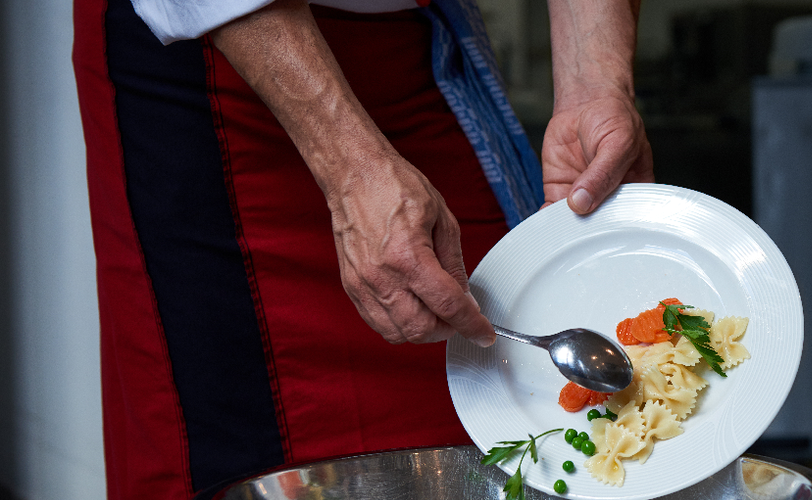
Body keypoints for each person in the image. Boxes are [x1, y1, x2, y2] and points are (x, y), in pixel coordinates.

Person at [72, 0, 653, 498]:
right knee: (249, 449)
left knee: (499, 409)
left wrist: (594, 82)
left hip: (414, 49)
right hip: (221, 72)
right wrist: (348, 163)